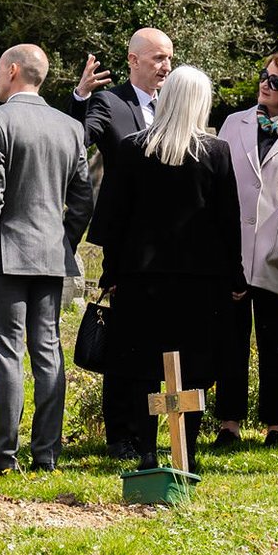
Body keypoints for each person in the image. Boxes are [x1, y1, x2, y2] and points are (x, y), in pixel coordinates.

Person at [89, 65, 241, 469]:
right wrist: (235, 275)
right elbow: (229, 220)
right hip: (200, 280)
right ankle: (185, 451)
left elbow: (114, 221)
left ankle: (146, 449)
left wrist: (111, 273)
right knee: (192, 368)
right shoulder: (215, 152)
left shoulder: (133, 148)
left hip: (142, 278)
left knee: (141, 367)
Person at [0, 44, 96, 475]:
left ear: (13, 70)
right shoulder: (68, 126)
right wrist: (65, 241)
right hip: (49, 253)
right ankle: (46, 452)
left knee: (6, 355)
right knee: (48, 353)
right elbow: (83, 199)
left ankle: (4, 455)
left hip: (2, 254)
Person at [71, 27, 177, 459]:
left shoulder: (178, 103)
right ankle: (122, 434)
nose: (165, 67)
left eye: (169, 58)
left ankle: (167, 429)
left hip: (174, 243)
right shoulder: (109, 103)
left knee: (167, 340)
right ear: (133, 61)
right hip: (128, 246)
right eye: (157, 59)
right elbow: (78, 138)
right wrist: (79, 99)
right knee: (126, 340)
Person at [214, 48, 278, 449]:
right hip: (235, 250)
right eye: (264, 75)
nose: (264, 83)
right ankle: (229, 421)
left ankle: (275, 424)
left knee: (277, 341)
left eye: (275, 80)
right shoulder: (234, 123)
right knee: (231, 338)